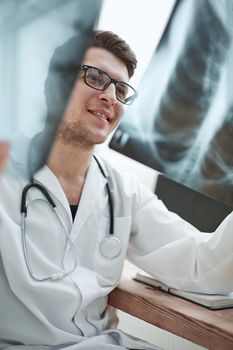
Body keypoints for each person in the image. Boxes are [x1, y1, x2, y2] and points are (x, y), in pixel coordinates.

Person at [0, 30, 233, 350]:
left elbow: (199, 265)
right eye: (95, 78)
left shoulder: (122, 191)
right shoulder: (5, 168)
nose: (110, 96)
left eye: (121, 89)